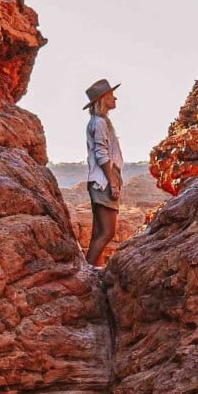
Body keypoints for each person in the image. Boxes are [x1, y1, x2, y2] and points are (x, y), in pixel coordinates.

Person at [83, 79, 122, 266]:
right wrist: (112, 182)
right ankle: (88, 273)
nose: (115, 98)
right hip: (104, 182)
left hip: (100, 181)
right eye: (111, 95)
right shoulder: (99, 123)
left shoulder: (100, 121)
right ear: (103, 99)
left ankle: (92, 273)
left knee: (98, 232)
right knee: (108, 232)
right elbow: (102, 153)